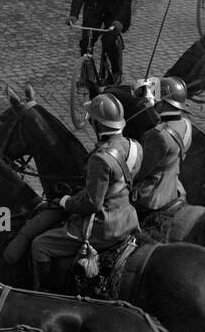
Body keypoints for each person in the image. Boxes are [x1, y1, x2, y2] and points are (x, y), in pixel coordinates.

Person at [30, 93, 142, 294]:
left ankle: (45, 294)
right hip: (127, 216)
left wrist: (66, 202)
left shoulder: (100, 158)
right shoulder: (135, 146)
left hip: (104, 225)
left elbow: (92, 203)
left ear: (98, 125)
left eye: (92, 121)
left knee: (40, 245)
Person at [131, 77, 193, 220]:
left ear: (164, 103)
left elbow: (140, 171)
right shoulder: (186, 124)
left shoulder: (157, 136)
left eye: (158, 99)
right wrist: (149, 106)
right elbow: (164, 125)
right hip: (174, 185)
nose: (155, 101)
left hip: (153, 196)